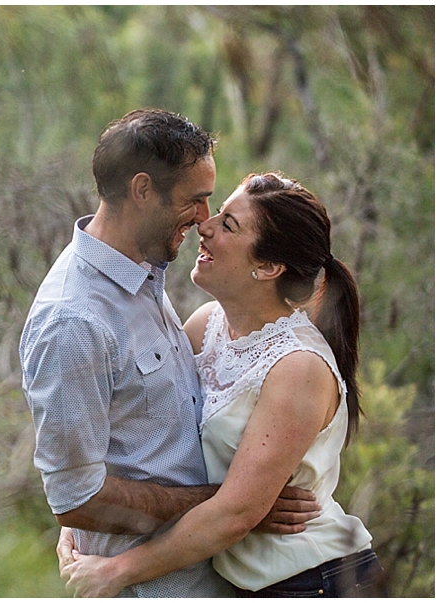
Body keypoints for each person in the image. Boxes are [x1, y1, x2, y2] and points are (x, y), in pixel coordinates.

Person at [19, 109, 320, 598]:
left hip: (212, 579)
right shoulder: (73, 320)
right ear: (142, 190)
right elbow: (77, 499)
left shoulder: (143, 275)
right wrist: (229, 505)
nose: (205, 219)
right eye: (195, 200)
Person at [58, 172, 386, 597]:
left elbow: (235, 513)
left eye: (228, 224)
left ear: (267, 267)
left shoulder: (298, 367)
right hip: (243, 583)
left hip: (314, 581)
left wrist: (116, 570)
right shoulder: (205, 325)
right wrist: (84, 522)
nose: (204, 225)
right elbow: (141, 432)